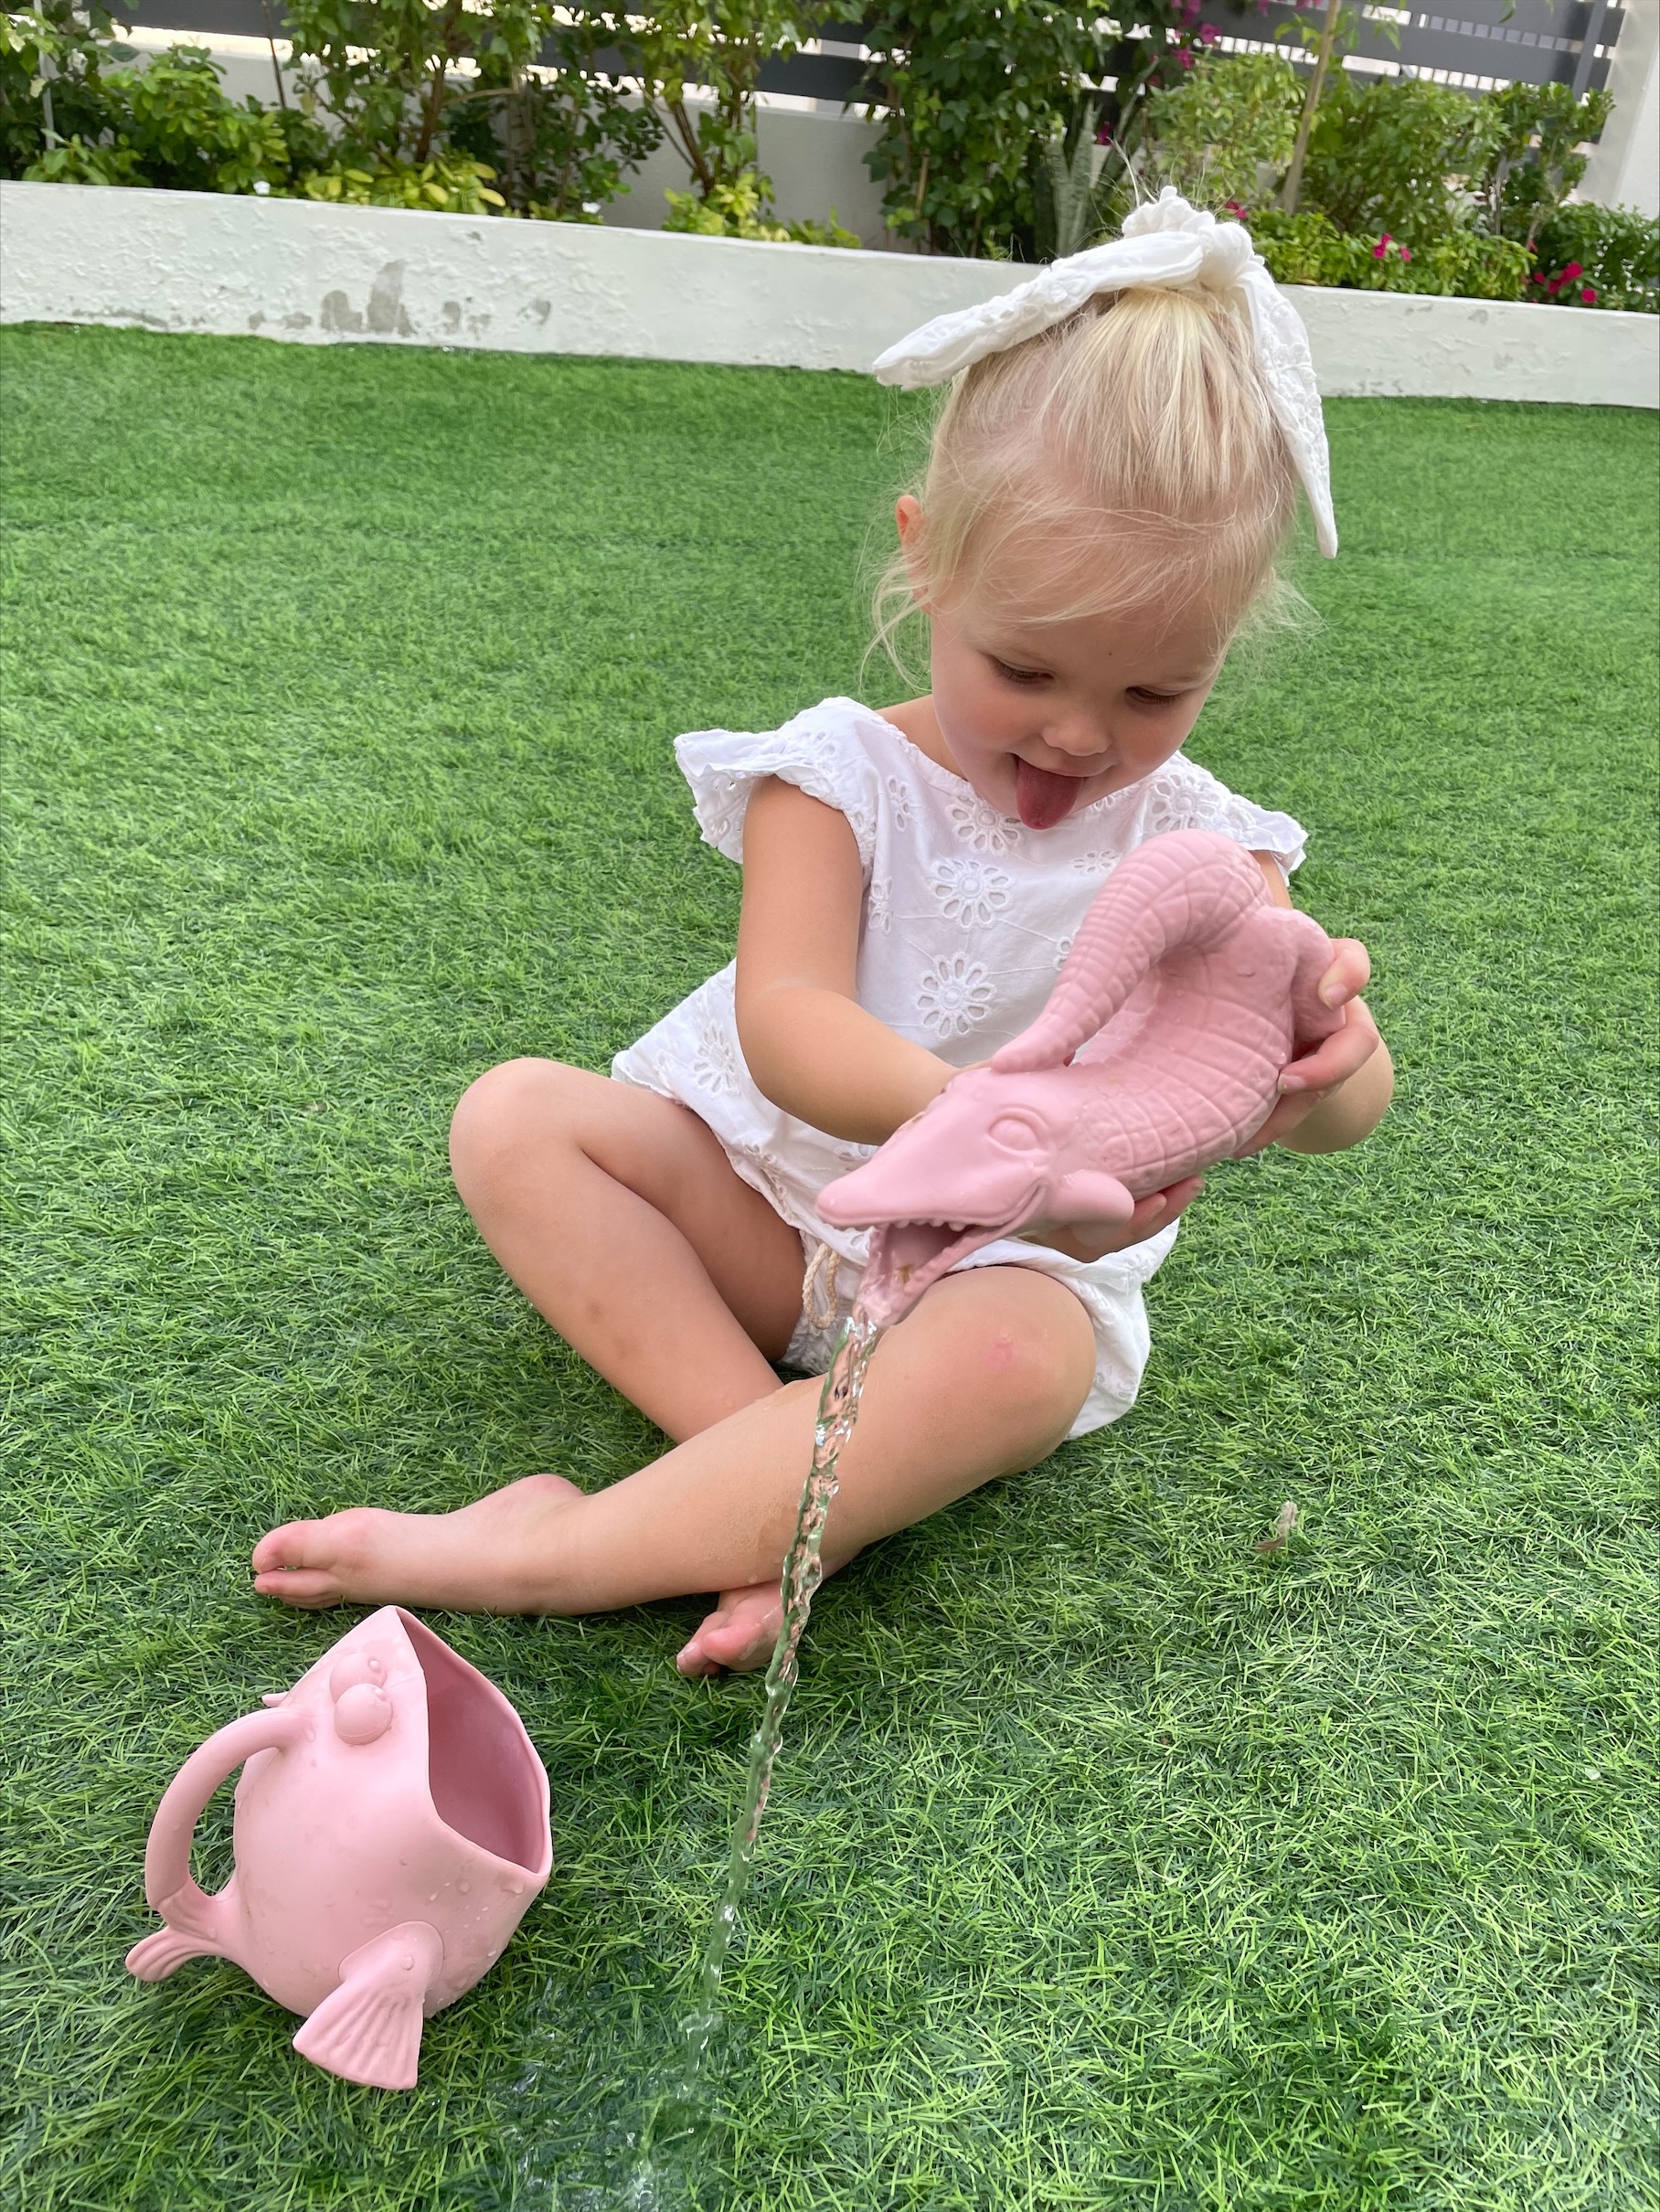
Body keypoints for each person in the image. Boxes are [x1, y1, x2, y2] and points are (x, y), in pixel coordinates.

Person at [252, 192, 1394, 1672]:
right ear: (927, 563)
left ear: (1221, 650)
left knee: (1024, 1362)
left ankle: (562, 1550)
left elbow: (1324, 1111)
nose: (1077, 735)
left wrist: (1330, 1055)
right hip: (779, 1208)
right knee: (516, 1120)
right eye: (1024, 668)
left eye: (1154, 693)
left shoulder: (1207, 846)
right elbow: (788, 1022)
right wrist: (979, 1123)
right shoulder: (837, 774)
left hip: (999, 1269)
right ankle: (771, 1476)